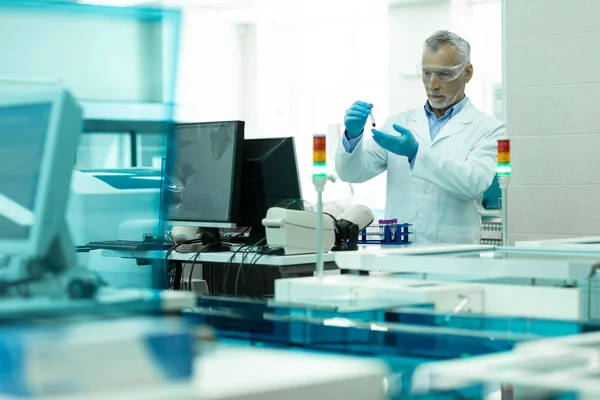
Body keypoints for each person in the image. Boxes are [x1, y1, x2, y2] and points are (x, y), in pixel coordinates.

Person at [336, 30, 505, 244]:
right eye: (426, 73)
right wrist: (352, 135)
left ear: (468, 72)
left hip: (452, 255)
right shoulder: (398, 123)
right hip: (399, 252)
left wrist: (416, 153)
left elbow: (473, 182)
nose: (432, 84)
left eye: (443, 74)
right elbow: (352, 173)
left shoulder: (489, 129)